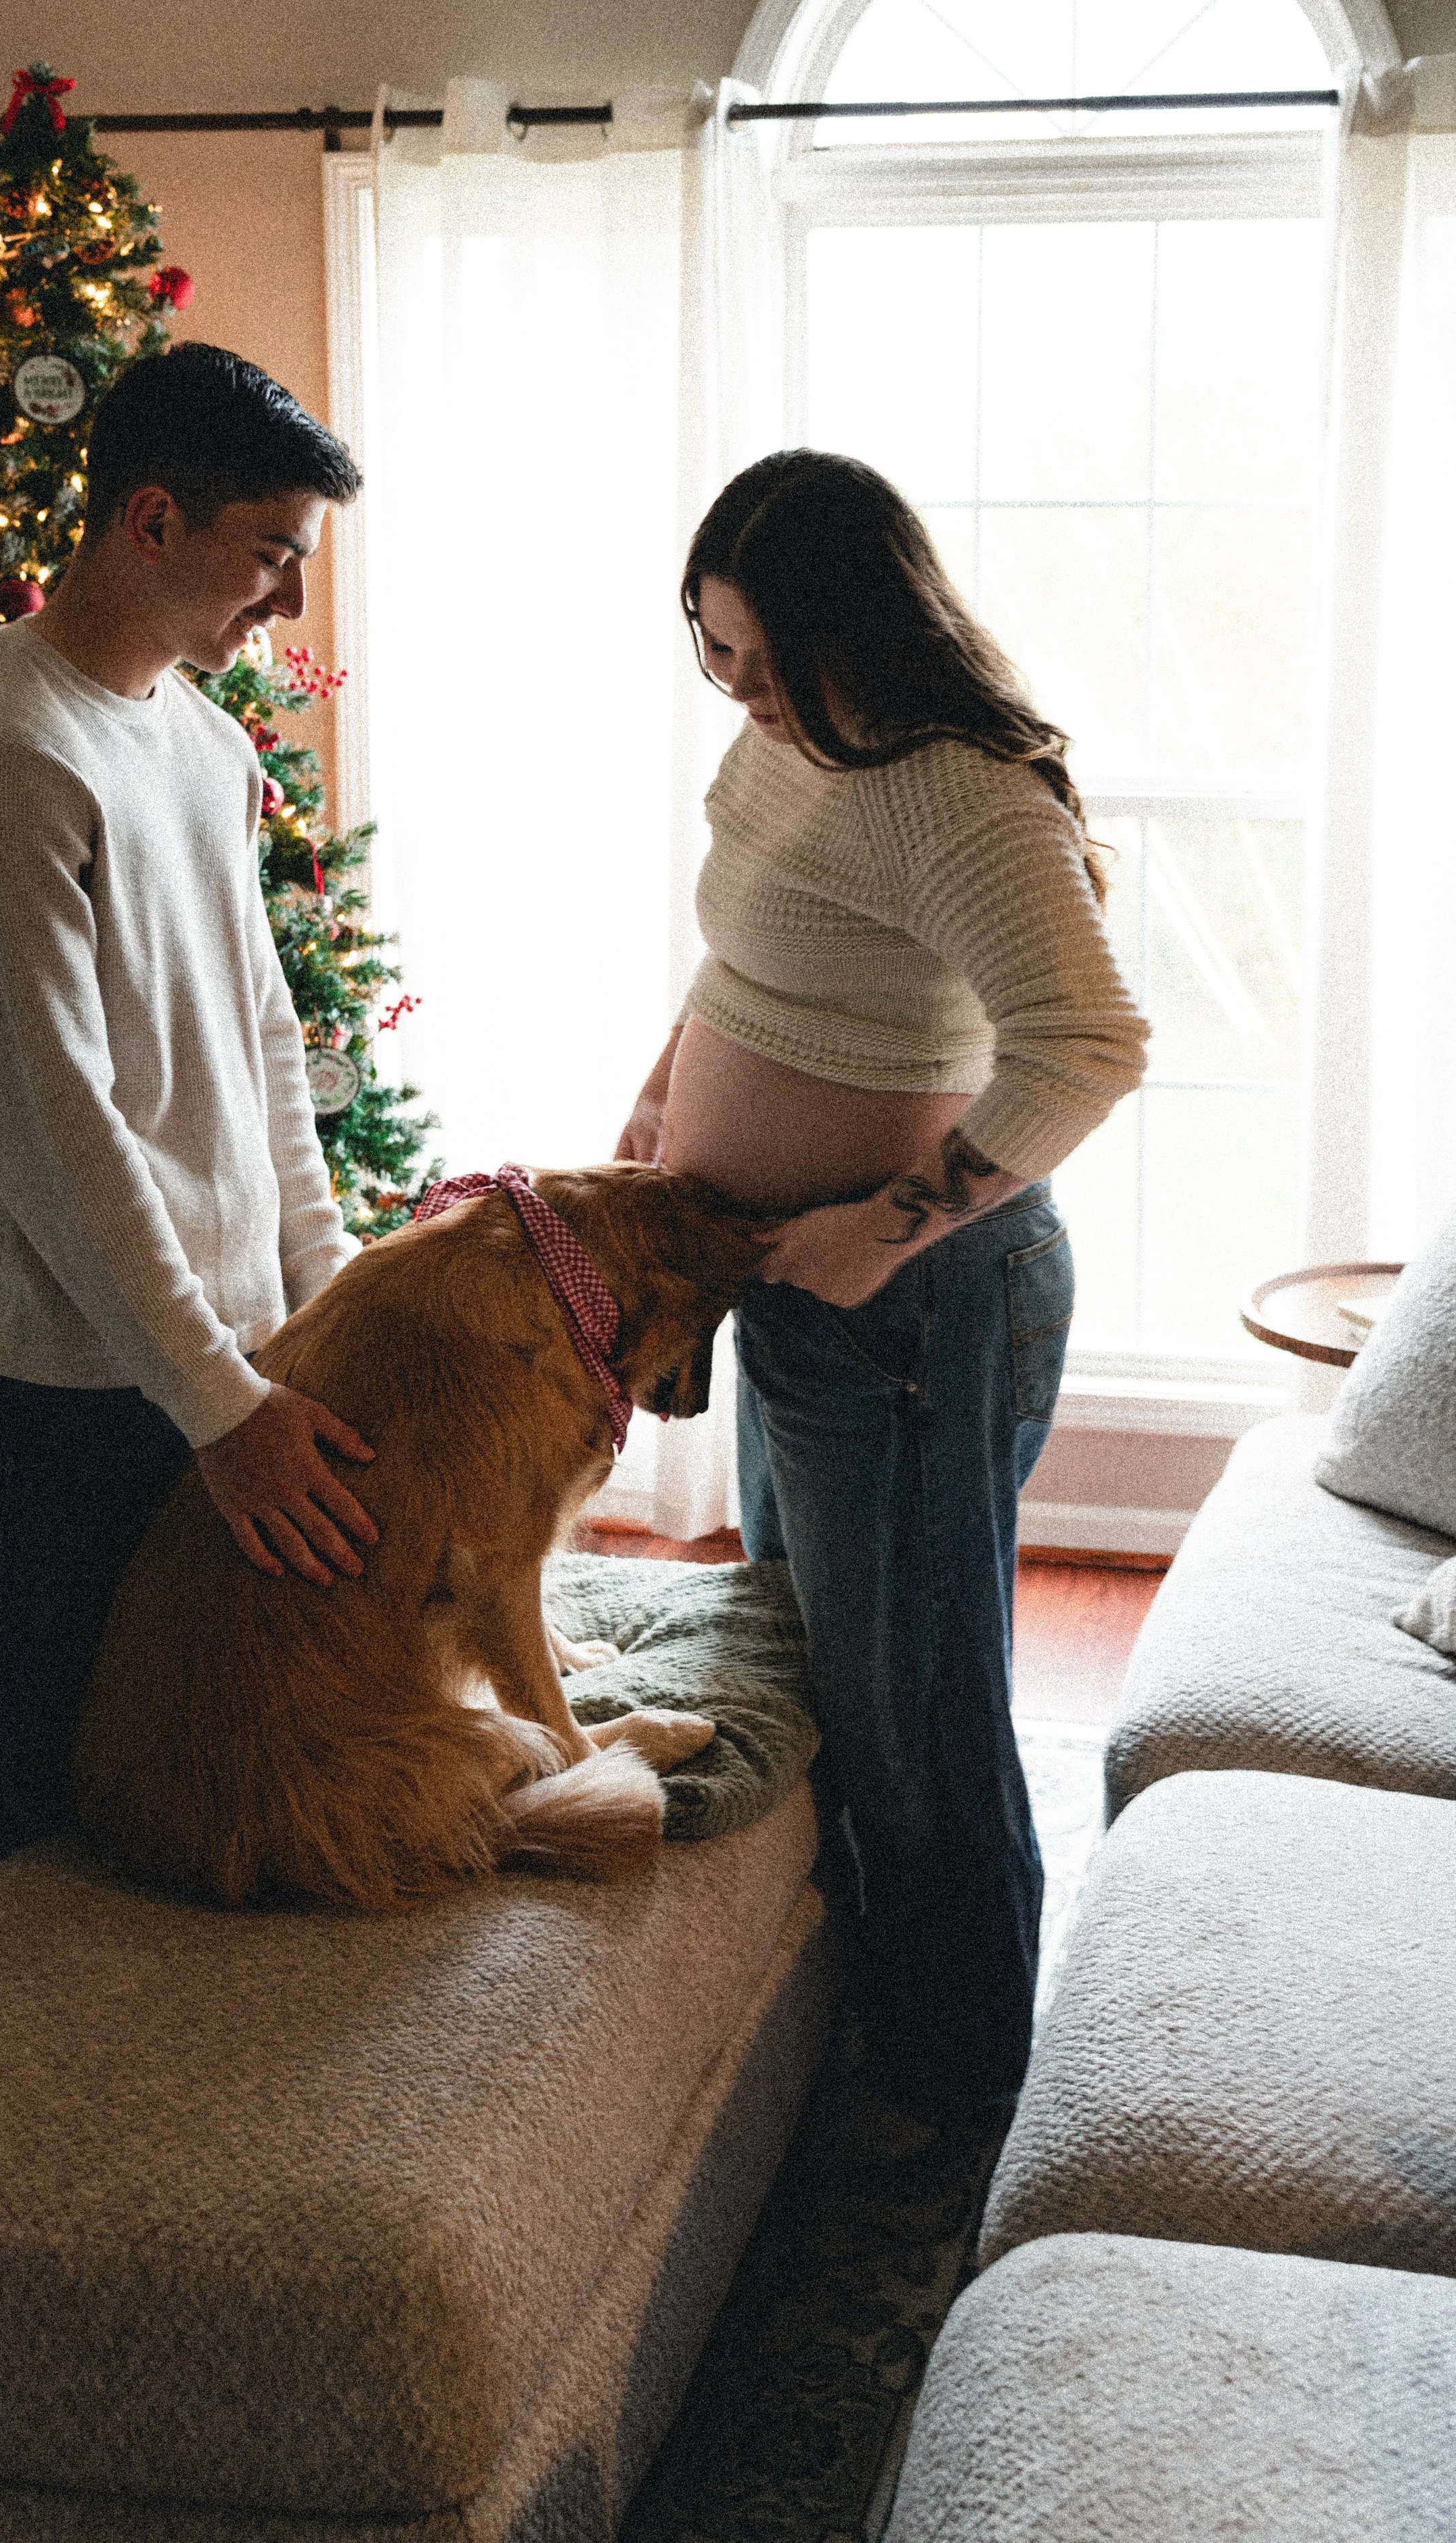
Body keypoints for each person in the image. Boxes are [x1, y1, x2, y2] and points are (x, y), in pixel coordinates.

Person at [617, 451, 1149, 2123]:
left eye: (773, 661)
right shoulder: (796, 747)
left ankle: (964, 2095)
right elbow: (746, 952)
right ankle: (869, 2019)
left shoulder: (956, 789)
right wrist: (661, 1092)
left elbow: (1090, 1046)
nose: (745, 694)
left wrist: (893, 1221)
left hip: (916, 1312)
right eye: (716, 656)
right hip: (792, 1293)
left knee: (913, 1706)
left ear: (875, 631)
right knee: (818, 1665)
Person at [0, 345, 380, 1926]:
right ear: (151, 520)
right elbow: (52, 1134)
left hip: (213, 1357)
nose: (284, 606)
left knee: (167, 1773)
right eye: (271, 557)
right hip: (57, 1381)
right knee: (16, 1782)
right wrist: (219, 1410)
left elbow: (262, 1044)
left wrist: (322, 1296)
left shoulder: (204, 741)